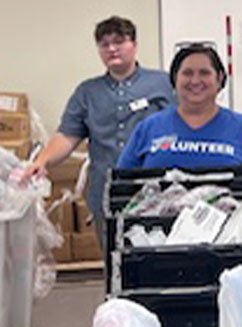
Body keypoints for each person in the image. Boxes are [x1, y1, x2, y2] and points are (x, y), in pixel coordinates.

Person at [23, 16, 173, 230]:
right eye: (104, 44)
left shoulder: (163, 84)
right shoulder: (87, 92)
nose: (112, 49)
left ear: (135, 45)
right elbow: (67, 136)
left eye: (119, 41)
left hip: (156, 190)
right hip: (106, 193)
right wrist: (41, 161)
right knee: (113, 258)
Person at [117, 43, 242, 169]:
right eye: (187, 73)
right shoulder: (148, 128)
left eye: (204, 73)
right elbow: (122, 185)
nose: (195, 81)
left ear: (219, 79)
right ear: (174, 79)